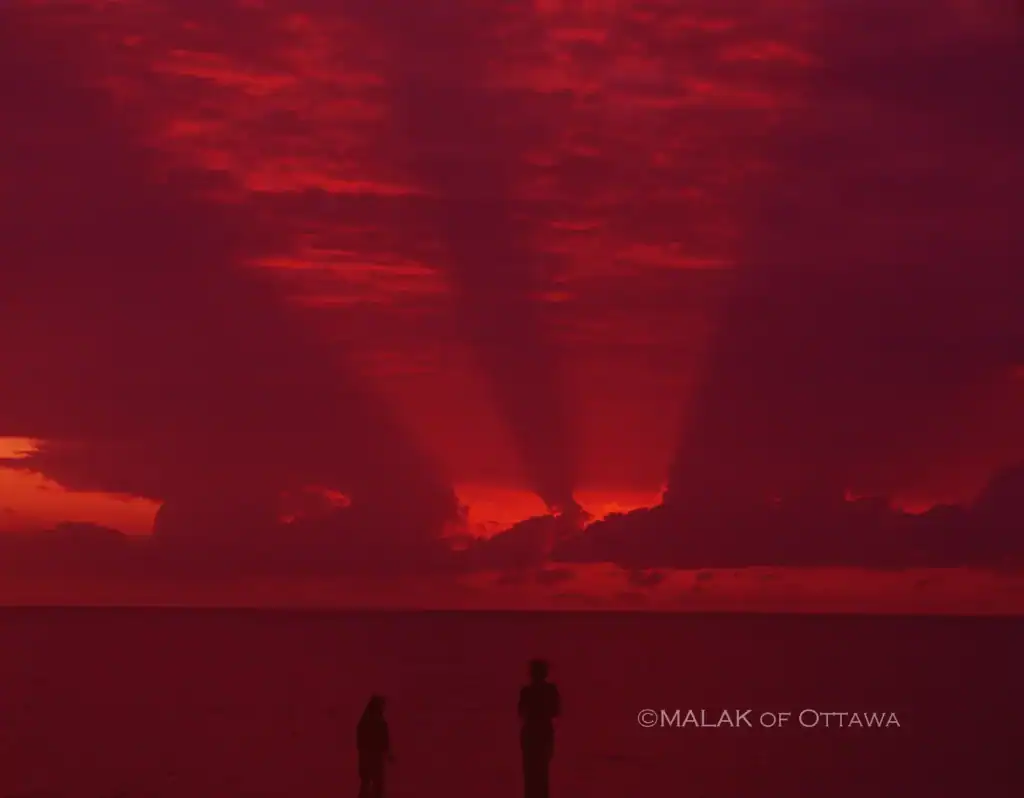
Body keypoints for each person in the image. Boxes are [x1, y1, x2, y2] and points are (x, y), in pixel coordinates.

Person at [518, 659, 561, 798]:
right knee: (542, 773)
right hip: (544, 733)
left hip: (530, 734)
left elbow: (520, 712)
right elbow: (556, 711)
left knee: (530, 775)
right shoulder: (551, 690)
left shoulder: (526, 691)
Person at [356, 695, 392, 798]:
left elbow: (360, 739)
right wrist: (385, 751)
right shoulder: (378, 721)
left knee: (366, 783)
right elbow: (383, 739)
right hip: (374, 756)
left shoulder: (365, 719)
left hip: (366, 756)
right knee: (376, 784)